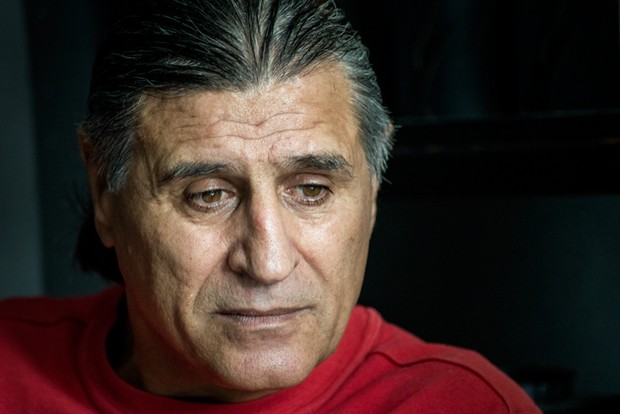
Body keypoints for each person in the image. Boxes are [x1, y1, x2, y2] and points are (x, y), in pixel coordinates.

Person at [0, 0, 540, 412]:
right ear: (104, 191)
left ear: (373, 187)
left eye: (312, 189)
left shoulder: (465, 404)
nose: (269, 262)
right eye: (208, 195)